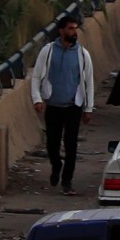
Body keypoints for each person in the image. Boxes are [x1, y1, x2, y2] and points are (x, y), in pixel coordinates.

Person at [29, 13, 95, 195]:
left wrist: (88, 108)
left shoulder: (82, 54)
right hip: (54, 106)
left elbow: (88, 81)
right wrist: (37, 99)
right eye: (70, 29)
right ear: (61, 31)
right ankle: (56, 165)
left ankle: (67, 182)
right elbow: (36, 77)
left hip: (73, 106)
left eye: (76, 29)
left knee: (71, 144)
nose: (74, 32)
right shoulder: (48, 51)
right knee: (52, 144)